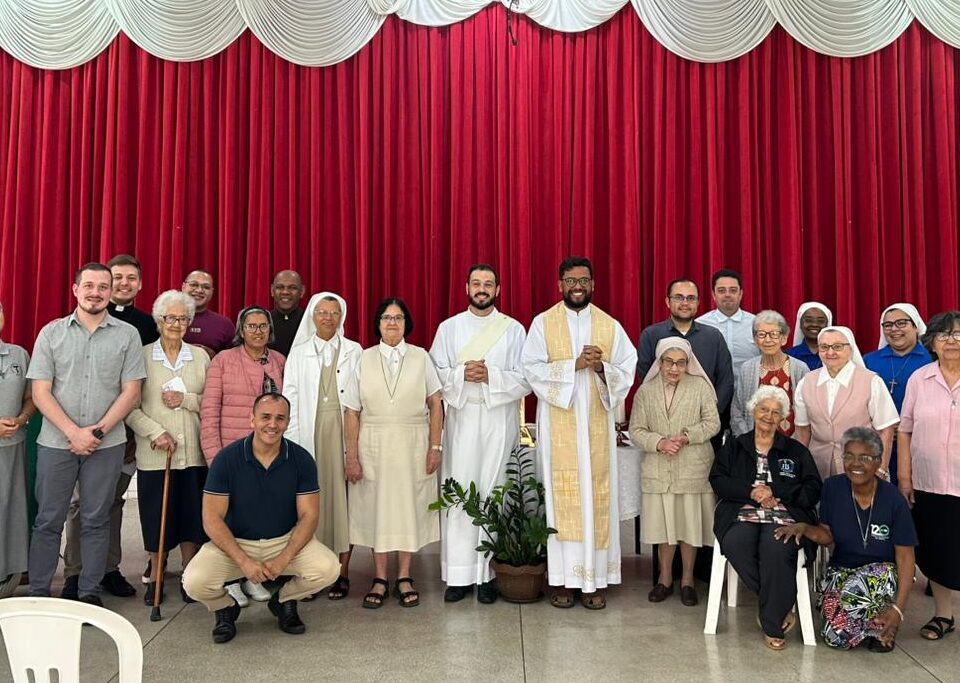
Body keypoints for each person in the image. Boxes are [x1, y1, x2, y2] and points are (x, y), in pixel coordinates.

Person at [26, 263, 145, 605]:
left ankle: (89, 592)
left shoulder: (127, 335)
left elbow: (131, 392)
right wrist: (73, 432)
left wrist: (97, 432)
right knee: (48, 520)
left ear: (110, 292)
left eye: (103, 287)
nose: (96, 292)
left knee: (96, 519)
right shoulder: (51, 333)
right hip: (55, 443)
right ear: (76, 289)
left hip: (106, 446)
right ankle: (39, 594)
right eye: (89, 286)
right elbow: (41, 392)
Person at [521, 257, 637, 609]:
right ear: (560, 284)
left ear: (593, 284)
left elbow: (627, 369)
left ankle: (594, 581)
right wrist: (575, 365)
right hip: (559, 424)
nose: (577, 286)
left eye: (584, 280)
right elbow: (530, 369)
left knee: (596, 497)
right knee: (562, 501)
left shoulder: (609, 325)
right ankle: (562, 580)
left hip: (597, 426)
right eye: (571, 280)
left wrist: (600, 367)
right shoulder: (543, 323)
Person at [182, 393, 339, 643]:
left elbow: (309, 516)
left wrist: (283, 559)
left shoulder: (301, 459)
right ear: (252, 419)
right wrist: (244, 562)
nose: (272, 424)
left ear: (287, 422)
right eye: (265, 417)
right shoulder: (226, 459)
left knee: (328, 569)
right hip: (235, 543)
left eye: (280, 418)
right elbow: (211, 518)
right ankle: (225, 607)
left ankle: (284, 601)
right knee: (193, 582)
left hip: (283, 540)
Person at [429, 264, 530, 604]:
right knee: (459, 490)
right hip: (461, 419)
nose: (482, 289)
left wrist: (491, 376)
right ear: (466, 288)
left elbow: (526, 377)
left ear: (498, 290)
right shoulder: (449, 328)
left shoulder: (513, 330)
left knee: (494, 490)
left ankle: (489, 574)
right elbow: (434, 374)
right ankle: (458, 576)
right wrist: (461, 374)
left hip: (498, 419)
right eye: (476, 283)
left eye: (488, 284)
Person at [62, 254, 158, 600]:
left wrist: (132, 431)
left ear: (140, 284)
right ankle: (74, 573)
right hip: (81, 431)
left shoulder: (147, 326)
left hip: (123, 432)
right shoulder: (76, 324)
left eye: (131, 278)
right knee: (80, 504)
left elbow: (144, 385)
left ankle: (108, 569)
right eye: (117, 278)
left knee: (113, 502)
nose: (123, 284)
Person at [775, 427, 916, 652]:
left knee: (858, 591)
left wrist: (898, 610)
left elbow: (906, 558)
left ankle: (886, 621)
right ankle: (873, 626)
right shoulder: (832, 487)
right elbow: (827, 535)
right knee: (835, 639)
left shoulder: (894, 499)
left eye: (865, 458)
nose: (855, 463)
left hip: (883, 575)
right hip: (843, 571)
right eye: (849, 456)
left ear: (878, 461)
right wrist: (804, 528)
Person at [342, 298, 444, 609]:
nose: (392, 323)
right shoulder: (364, 358)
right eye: (386, 317)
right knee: (378, 509)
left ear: (406, 324)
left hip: (413, 443)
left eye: (398, 318)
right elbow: (351, 410)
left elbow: (436, 403)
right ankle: (379, 577)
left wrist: (435, 446)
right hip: (372, 444)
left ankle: (404, 575)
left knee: (408, 508)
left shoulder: (421, 356)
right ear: (378, 323)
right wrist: (351, 456)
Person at [710, 386, 822, 650]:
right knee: (735, 543)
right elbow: (718, 480)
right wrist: (752, 492)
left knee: (777, 547)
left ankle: (772, 624)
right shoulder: (735, 446)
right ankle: (779, 606)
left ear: (783, 418)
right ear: (753, 411)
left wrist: (776, 491)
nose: (768, 416)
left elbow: (813, 489)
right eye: (764, 409)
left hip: (784, 517)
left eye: (775, 412)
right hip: (742, 514)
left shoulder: (795, 451)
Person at [126, 290, 210, 605]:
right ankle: (156, 575)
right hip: (155, 454)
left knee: (191, 516)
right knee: (155, 517)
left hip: (193, 454)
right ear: (158, 321)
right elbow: (129, 406)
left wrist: (186, 400)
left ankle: (190, 574)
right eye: (169, 318)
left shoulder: (200, 357)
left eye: (182, 319)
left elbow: (212, 402)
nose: (176, 324)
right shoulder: (141, 356)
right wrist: (155, 432)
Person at [201, 305, 285, 605]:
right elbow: (209, 411)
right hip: (231, 453)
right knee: (229, 518)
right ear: (241, 330)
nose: (258, 331)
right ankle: (231, 580)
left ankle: (253, 577)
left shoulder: (279, 361)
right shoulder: (223, 361)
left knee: (258, 517)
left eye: (263, 326)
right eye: (251, 326)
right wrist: (214, 458)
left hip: (268, 454)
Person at [629, 338, 719, 607]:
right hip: (659, 469)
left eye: (681, 363)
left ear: (688, 364)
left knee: (689, 528)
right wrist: (659, 442)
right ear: (660, 362)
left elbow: (712, 423)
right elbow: (636, 430)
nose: (674, 368)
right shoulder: (645, 391)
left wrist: (687, 436)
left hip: (692, 468)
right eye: (669, 362)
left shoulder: (700, 387)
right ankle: (665, 578)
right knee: (664, 528)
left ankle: (688, 580)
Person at [283, 292, 362, 601]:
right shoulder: (299, 353)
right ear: (312, 317)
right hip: (309, 433)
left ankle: (342, 572)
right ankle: (312, 573)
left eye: (334, 312)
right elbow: (289, 397)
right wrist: (292, 442)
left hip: (344, 433)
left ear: (342, 317)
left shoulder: (355, 350)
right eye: (322, 312)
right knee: (310, 505)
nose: (328, 318)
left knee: (344, 504)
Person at [897, 311, 960, 641]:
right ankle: (943, 614)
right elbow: (905, 430)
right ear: (932, 342)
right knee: (937, 548)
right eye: (943, 335)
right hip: (929, 480)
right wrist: (905, 478)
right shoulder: (919, 379)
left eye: (958, 334)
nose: (951, 341)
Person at [794, 326, 899, 480]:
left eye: (837, 347)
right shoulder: (807, 382)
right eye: (824, 347)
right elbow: (802, 430)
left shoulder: (871, 381)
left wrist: (880, 470)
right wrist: (799, 468)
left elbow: (886, 430)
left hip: (862, 467)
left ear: (850, 349)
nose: (830, 352)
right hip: (817, 466)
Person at [637, 279, 733, 445]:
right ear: (667, 301)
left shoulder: (713, 337)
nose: (685, 303)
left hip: (705, 432)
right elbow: (646, 378)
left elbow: (725, 381)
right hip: (661, 432)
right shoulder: (651, 335)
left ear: (698, 302)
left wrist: (708, 416)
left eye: (691, 298)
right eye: (679, 297)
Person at [864, 303, 930, 485]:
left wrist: (906, 428)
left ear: (916, 326)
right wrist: (881, 427)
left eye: (901, 323)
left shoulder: (932, 359)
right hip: (880, 445)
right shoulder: (869, 360)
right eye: (888, 325)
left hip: (922, 443)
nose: (894, 329)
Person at [0, 299, 36, 598]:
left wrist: (22, 419)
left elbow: (31, 397)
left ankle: (7, 577)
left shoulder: (18, 354)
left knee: (10, 511)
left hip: (13, 448)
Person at [731, 310, 810, 437]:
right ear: (755, 340)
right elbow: (737, 410)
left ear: (784, 338)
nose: (767, 339)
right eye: (762, 334)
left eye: (774, 334)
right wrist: (747, 440)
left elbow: (809, 411)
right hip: (754, 441)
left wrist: (796, 443)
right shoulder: (747, 368)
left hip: (792, 441)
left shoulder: (800, 368)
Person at [695, 269, 759, 371]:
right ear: (713, 294)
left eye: (733, 290)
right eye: (721, 291)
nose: (727, 295)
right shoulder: (699, 325)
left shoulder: (757, 324)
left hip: (751, 381)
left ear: (740, 294)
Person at [181, 270, 234, 357]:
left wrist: (214, 357)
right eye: (194, 285)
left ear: (212, 291)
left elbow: (233, 360)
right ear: (183, 287)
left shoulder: (225, 324)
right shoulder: (165, 318)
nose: (199, 290)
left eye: (206, 287)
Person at [268, 270, 305, 357]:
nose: (285, 292)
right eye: (280, 287)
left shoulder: (311, 322)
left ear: (302, 291)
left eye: (292, 288)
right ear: (272, 291)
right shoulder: (263, 322)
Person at [786, 302, 832, 371]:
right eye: (808, 320)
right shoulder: (789, 357)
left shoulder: (836, 355)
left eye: (821, 321)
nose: (814, 324)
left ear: (827, 325)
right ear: (800, 324)